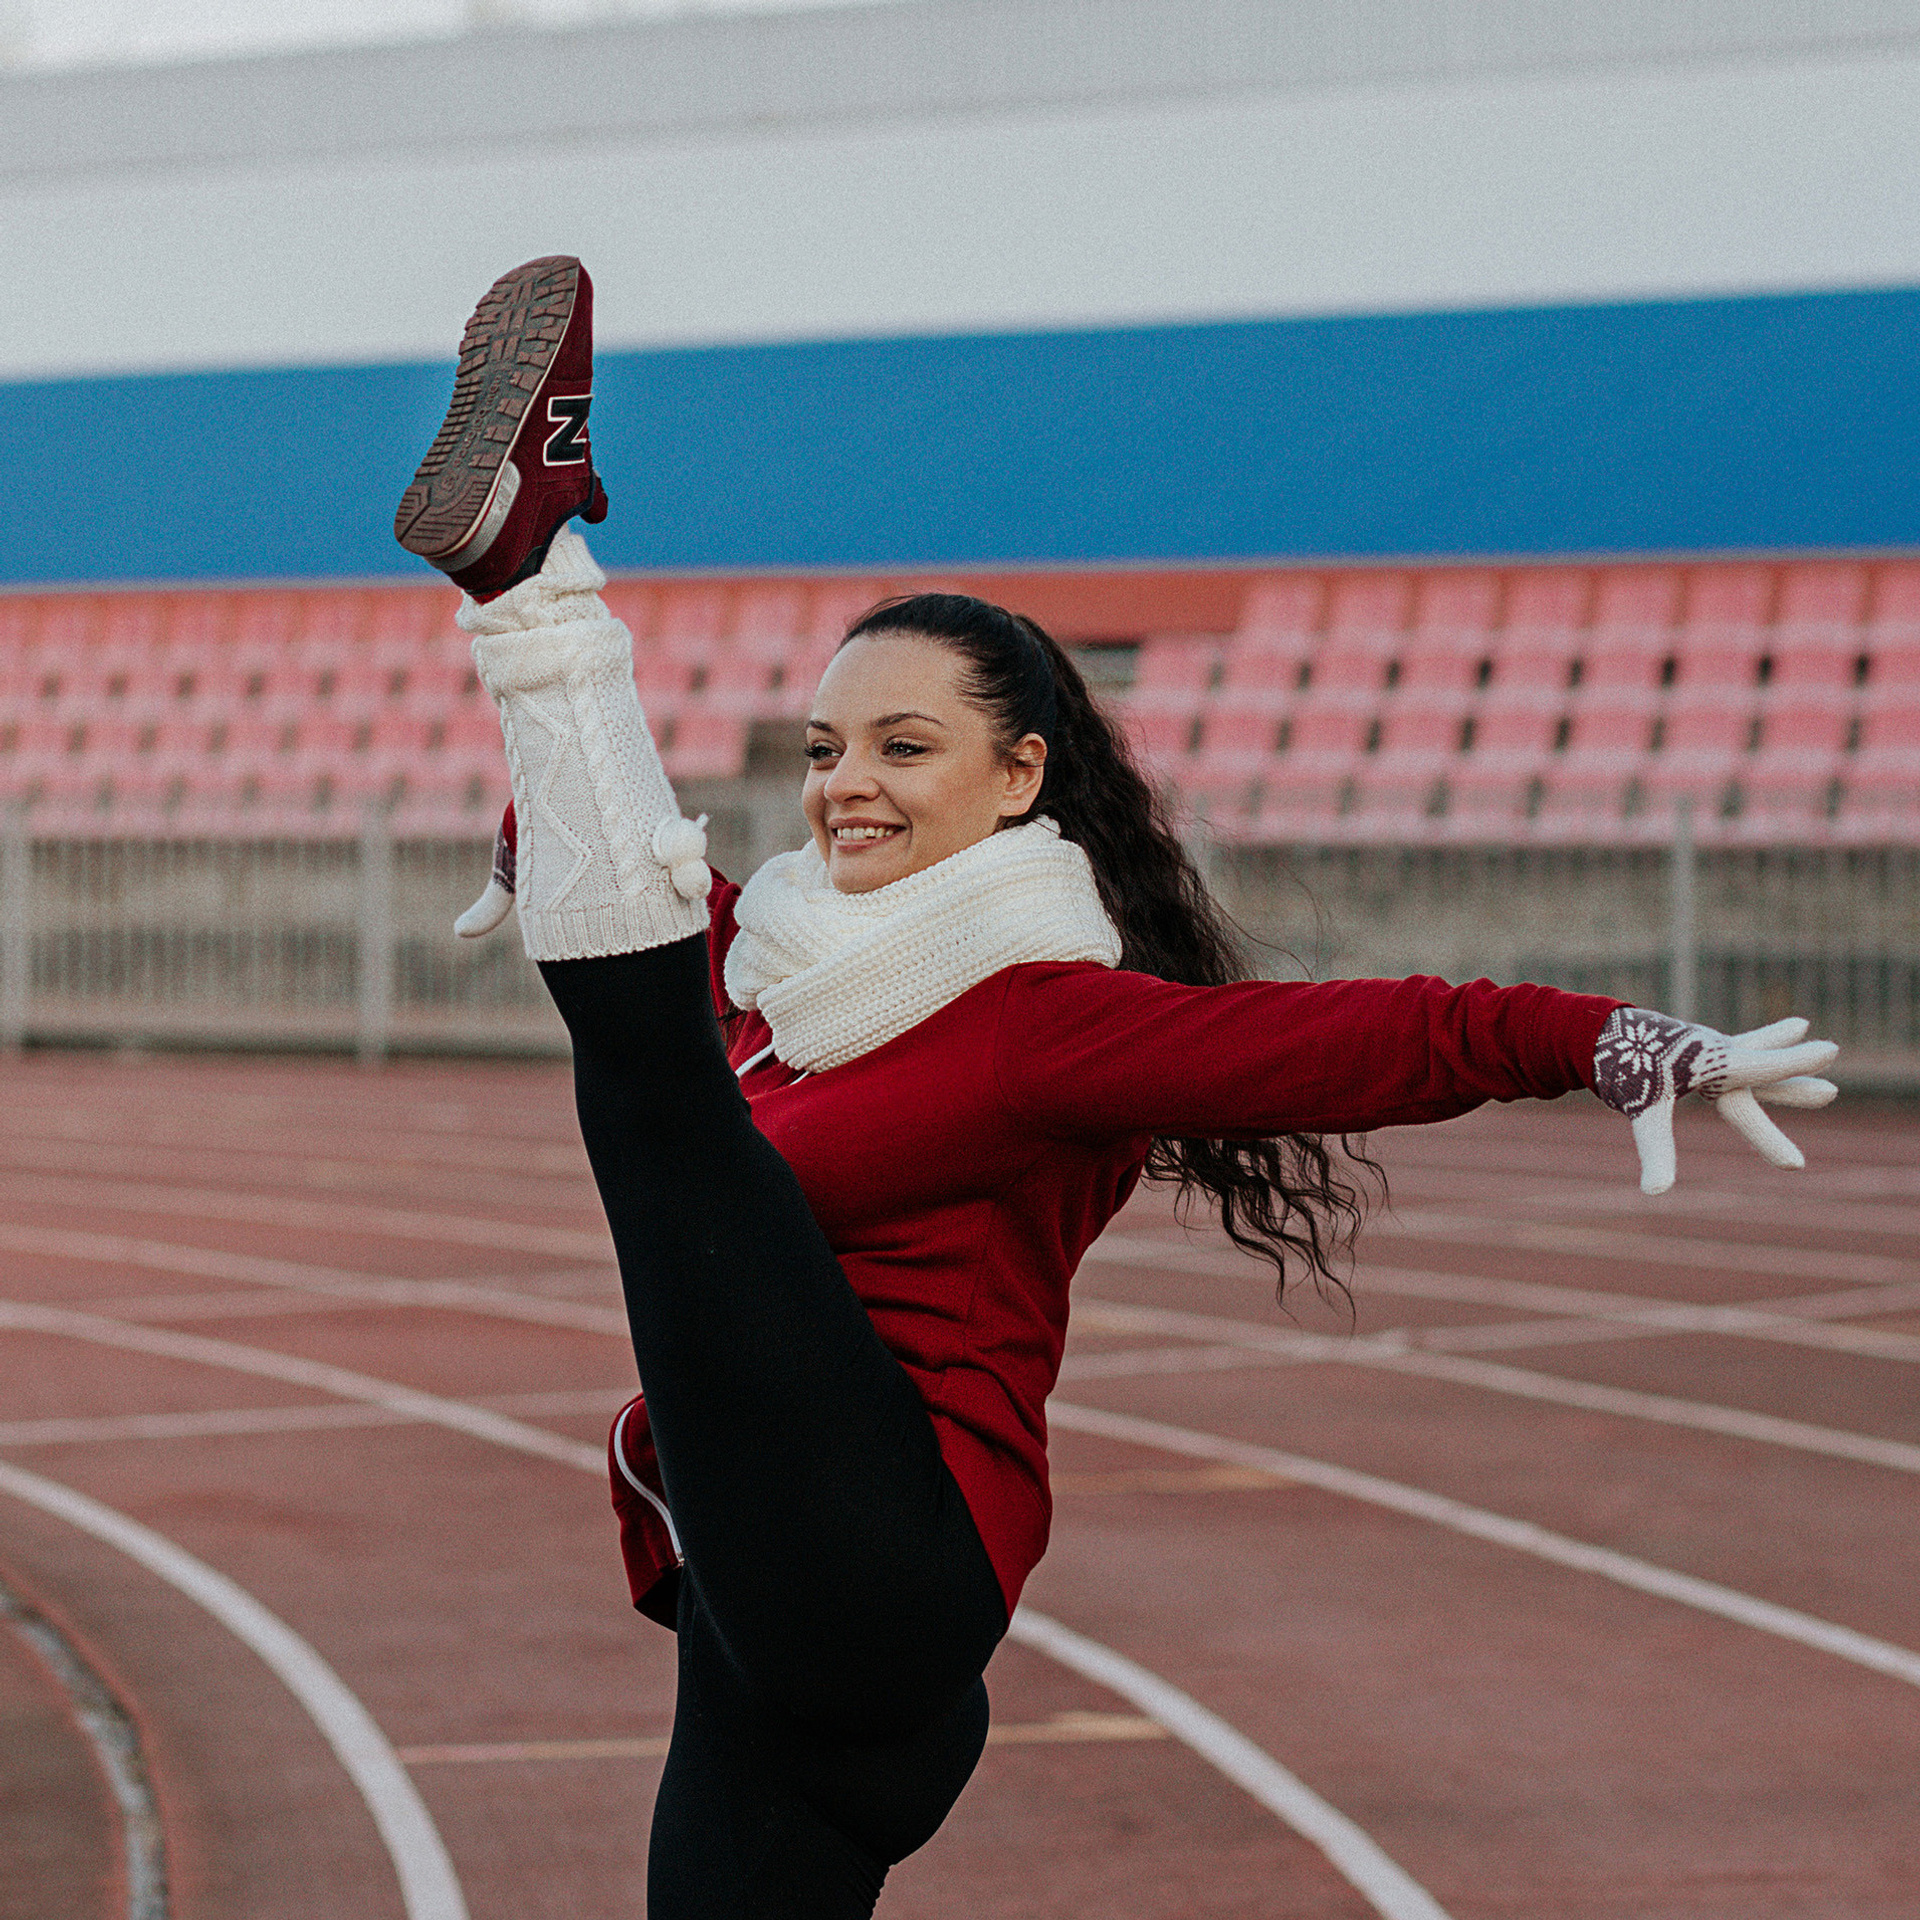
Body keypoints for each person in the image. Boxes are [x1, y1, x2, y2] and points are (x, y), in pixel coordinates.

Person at [398, 257, 1841, 1918]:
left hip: (891, 1571)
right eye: (825, 749)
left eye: (905, 748)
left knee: (660, 1110)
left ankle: (536, 578)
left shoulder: (1047, 1025)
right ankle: (535, 587)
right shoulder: (777, 972)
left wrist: (1602, 1040)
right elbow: (671, 904)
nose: (847, 785)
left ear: (1021, 774)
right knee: (663, 1067)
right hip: (775, 1652)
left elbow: (1356, 1040)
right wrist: (547, 831)